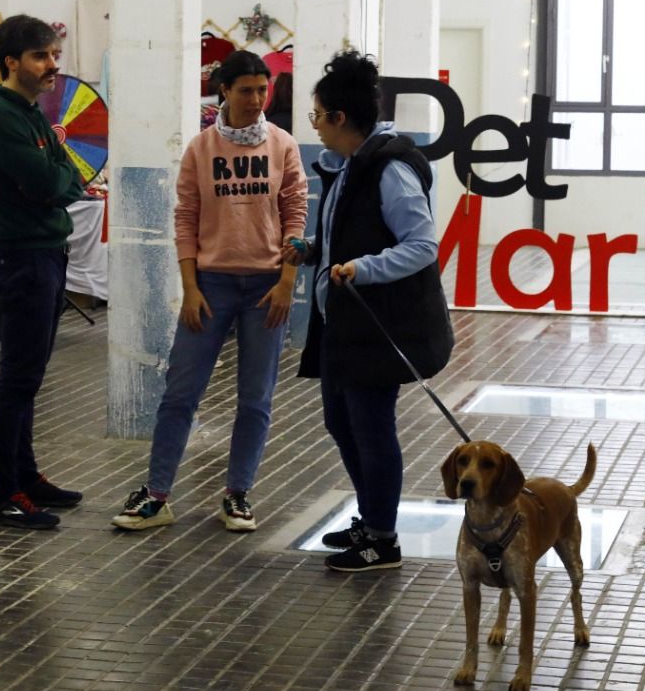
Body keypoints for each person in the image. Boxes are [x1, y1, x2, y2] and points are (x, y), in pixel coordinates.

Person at [111, 51, 308, 533]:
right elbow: (185, 220)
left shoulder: (282, 145)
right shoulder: (201, 148)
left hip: (266, 287)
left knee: (255, 399)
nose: (256, 100)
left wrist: (287, 282)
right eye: (246, 90)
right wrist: (191, 288)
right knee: (180, 394)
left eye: (263, 90)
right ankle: (157, 495)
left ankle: (237, 494)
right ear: (224, 90)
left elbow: (296, 215)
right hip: (211, 287)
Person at [283, 50, 452, 573]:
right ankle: (371, 516)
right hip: (344, 324)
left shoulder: (390, 166)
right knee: (342, 421)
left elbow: (422, 245)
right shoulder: (352, 163)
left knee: (372, 429)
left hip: (381, 325)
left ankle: (382, 537)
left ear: (338, 117)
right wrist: (313, 249)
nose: (314, 126)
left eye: (316, 116)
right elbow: (349, 233)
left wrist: (364, 268)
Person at [0, 14, 87, 529]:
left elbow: (69, 174)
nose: (52, 66)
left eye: (54, 55)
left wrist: (58, 178)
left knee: (31, 376)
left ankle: (27, 474)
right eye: (41, 56)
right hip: (23, 257)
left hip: (45, 253)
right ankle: (4, 493)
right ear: (11, 61)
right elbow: (49, 182)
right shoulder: (0, 117)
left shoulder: (30, 112)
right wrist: (58, 179)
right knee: (17, 378)